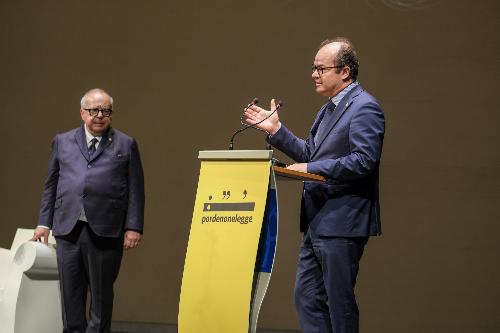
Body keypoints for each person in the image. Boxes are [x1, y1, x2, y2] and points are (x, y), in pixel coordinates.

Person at [245, 37, 384, 333]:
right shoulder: (328, 109)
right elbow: (311, 154)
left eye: (321, 68)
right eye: (313, 68)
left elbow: (363, 161)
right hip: (318, 221)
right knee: (307, 297)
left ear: (344, 71)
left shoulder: (365, 108)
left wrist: (312, 167)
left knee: (339, 303)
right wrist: (277, 131)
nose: (314, 74)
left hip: (343, 221)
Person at [32, 88, 145, 333]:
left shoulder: (126, 144)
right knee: (70, 297)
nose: (100, 115)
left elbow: (136, 188)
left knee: (102, 299)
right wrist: (44, 222)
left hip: (106, 230)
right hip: (67, 229)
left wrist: (133, 226)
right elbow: (51, 183)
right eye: (94, 110)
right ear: (83, 112)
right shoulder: (62, 141)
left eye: (106, 110)